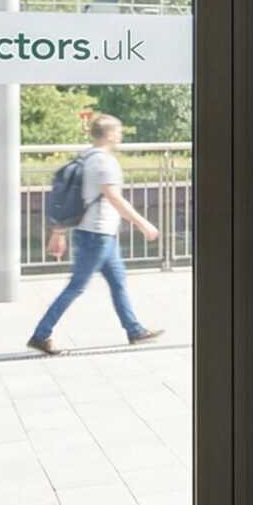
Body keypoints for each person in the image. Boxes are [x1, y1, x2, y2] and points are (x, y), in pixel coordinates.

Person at [27, 114, 166, 354]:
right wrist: (142, 223)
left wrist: (58, 231)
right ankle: (41, 335)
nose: (121, 136)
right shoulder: (104, 162)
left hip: (99, 234)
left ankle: (134, 330)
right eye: (119, 131)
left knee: (118, 282)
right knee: (76, 287)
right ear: (110, 134)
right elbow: (114, 197)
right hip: (96, 234)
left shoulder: (86, 156)